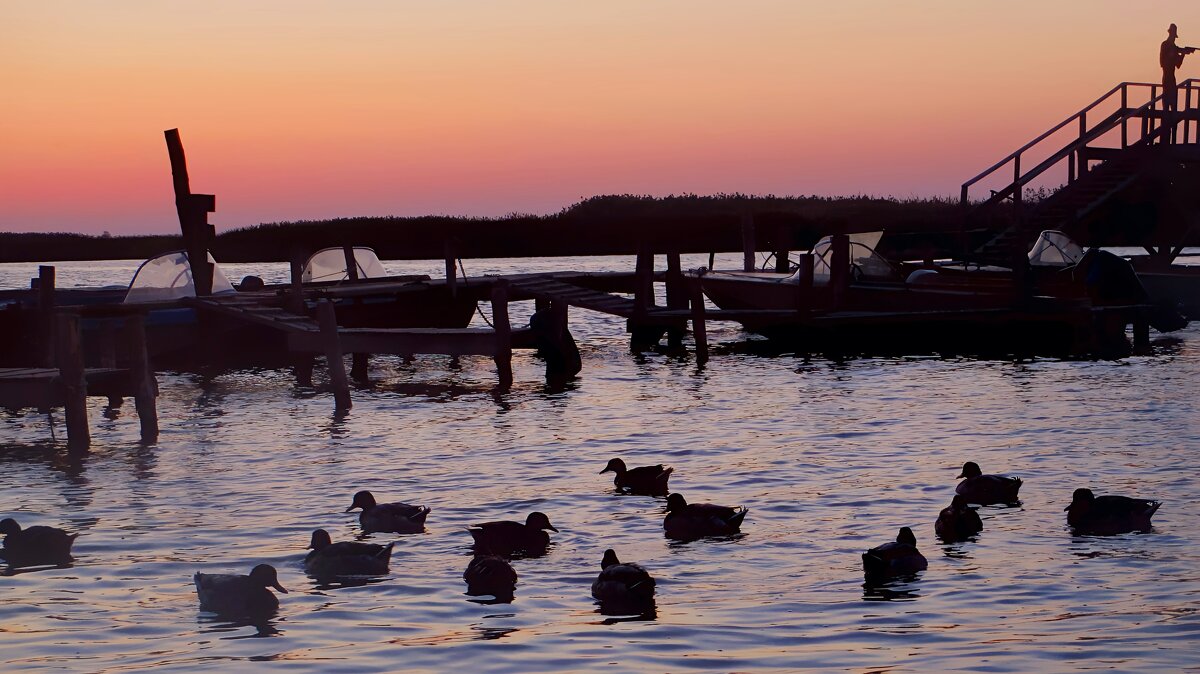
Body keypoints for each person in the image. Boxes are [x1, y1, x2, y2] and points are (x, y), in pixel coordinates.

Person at [1160, 23, 1194, 141]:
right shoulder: (1165, 45)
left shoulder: (1174, 47)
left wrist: (1182, 55)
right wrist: (1176, 54)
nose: (1174, 37)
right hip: (1167, 79)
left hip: (1172, 79)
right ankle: (1165, 137)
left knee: (1173, 110)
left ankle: (1172, 138)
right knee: (1166, 110)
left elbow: (1178, 65)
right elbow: (1162, 63)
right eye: (1173, 35)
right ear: (1171, 34)